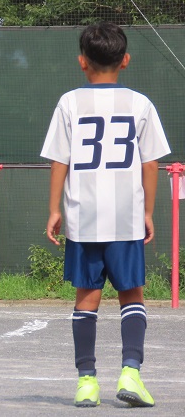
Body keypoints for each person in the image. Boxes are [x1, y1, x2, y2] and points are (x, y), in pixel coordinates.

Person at [41, 22, 171, 407]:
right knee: (132, 293)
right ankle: (131, 372)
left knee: (87, 298)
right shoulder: (140, 104)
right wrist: (148, 211)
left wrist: (54, 209)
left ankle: (86, 383)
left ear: (82, 62)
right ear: (125, 60)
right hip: (125, 215)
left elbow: (59, 161)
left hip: (84, 218)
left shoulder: (69, 103)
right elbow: (150, 164)